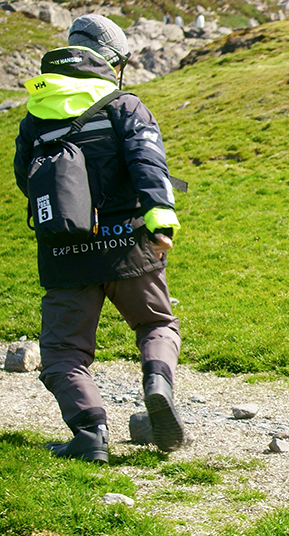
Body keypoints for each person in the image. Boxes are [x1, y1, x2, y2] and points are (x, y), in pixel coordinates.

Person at [13, 14, 186, 463]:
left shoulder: (36, 114)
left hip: (64, 252)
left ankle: (90, 433)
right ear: (112, 61)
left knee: (62, 353)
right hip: (129, 244)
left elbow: (24, 180)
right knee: (155, 324)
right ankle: (157, 383)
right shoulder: (124, 105)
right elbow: (149, 163)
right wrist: (161, 221)